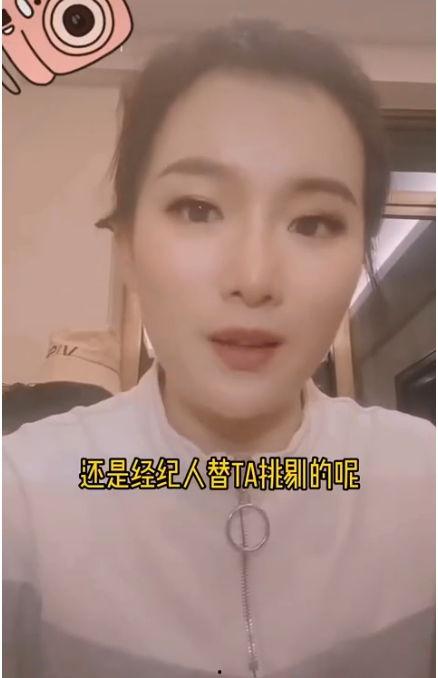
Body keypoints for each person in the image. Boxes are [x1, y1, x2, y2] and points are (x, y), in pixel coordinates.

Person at [3, 18, 435, 678]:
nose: (254, 278)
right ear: (127, 245)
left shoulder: (422, 483)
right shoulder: (24, 495)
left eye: (313, 222)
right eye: (198, 210)